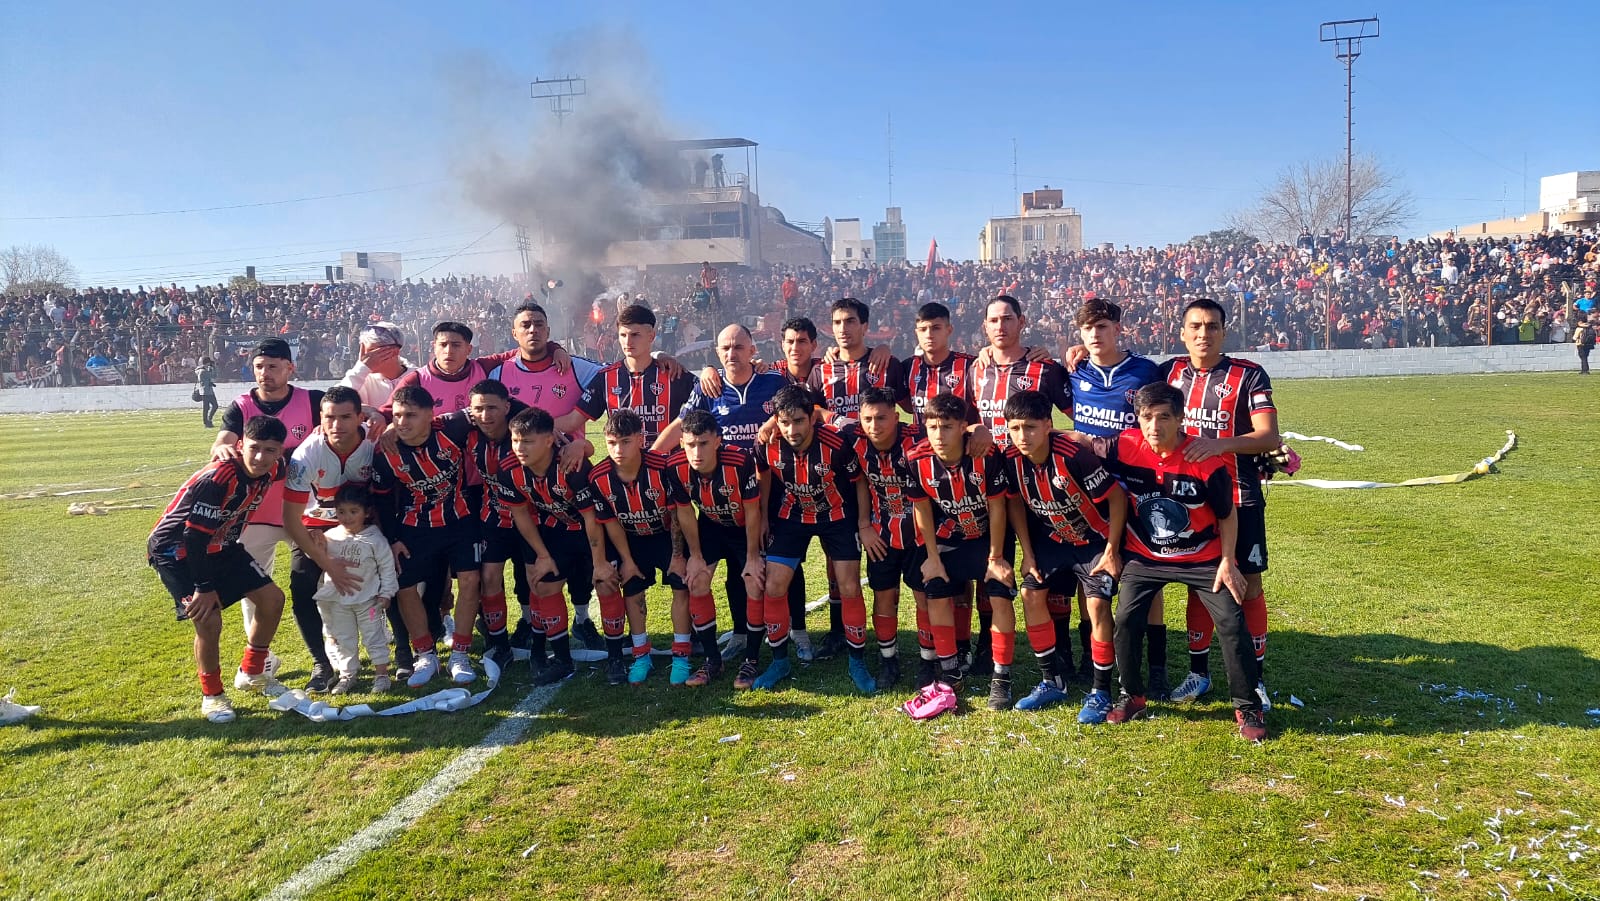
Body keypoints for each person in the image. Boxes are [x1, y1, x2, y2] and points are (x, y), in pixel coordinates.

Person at [1092, 382, 1267, 741]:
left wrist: (1227, 562)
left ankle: (1247, 707)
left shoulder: (1204, 460)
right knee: (1124, 619)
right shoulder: (1124, 446)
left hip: (1203, 559)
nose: (1154, 426)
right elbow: (1080, 442)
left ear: (1181, 419)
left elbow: (1227, 514)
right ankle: (1134, 695)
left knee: (1233, 624)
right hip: (1145, 556)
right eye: (1146, 417)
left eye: (1163, 417)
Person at [1159, 299, 1279, 710]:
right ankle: (1198, 673)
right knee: (1201, 583)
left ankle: (1256, 679)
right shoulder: (1168, 372)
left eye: (1211, 326)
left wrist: (1218, 445)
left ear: (1223, 332)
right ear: (1182, 331)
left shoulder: (1248, 375)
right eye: (1195, 325)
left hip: (1240, 497)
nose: (1203, 334)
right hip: (1188, 500)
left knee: (1249, 583)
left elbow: (1268, 436)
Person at [655, 323, 792, 664]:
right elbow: (682, 424)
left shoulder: (773, 381)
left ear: (752, 349)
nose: (732, 353)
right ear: (717, 352)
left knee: (775, 565)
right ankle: (743, 634)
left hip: (769, 490)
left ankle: (794, 632)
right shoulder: (708, 387)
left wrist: (772, 424)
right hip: (720, 497)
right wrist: (651, 460)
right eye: (725, 348)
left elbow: (796, 411)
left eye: (738, 346)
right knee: (735, 569)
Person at [147, 415, 291, 723]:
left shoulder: (274, 467)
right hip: (178, 551)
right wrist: (203, 587)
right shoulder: (220, 478)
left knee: (273, 599)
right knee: (209, 621)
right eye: (254, 448)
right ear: (240, 446)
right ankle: (212, 696)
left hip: (221, 544)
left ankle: (252, 673)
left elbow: (298, 457)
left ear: (279, 452)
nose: (261, 457)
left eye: (270, 450)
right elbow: (192, 536)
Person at [487, 300, 606, 651]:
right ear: (514, 332)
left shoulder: (573, 367)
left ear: (549, 330)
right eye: (525, 325)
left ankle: (583, 620)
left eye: (539, 324)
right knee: (530, 558)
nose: (532, 330)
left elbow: (615, 375)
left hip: (570, 475)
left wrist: (579, 431)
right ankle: (529, 620)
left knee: (582, 556)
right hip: (523, 480)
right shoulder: (500, 374)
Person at [1002, 390, 1127, 719]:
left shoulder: (1074, 455)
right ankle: (1052, 680)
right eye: (1014, 428)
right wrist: (1028, 553)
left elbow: (1117, 500)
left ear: (1048, 424)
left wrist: (1113, 551)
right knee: (1031, 595)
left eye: (1030, 427)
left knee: (1097, 604)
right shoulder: (1010, 458)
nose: (1022, 436)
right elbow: (1014, 502)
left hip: (1094, 542)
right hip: (1051, 542)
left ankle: (1101, 691)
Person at [1063, 298, 1164, 694]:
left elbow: (1162, 421)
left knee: (1146, 578)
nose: (1094, 335)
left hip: (1137, 487)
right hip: (1089, 492)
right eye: (1087, 329)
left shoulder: (1145, 371)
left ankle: (1155, 667)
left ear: (1118, 328)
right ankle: (1091, 657)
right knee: (1089, 576)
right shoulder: (1075, 370)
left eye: (1102, 326)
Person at [210, 338, 323, 683]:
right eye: (259, 367)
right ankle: (261, 656)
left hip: (305, 508)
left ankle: (332, 655)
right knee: (252, 587)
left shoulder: (312, 400)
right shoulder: (242, 405)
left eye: (273, 366)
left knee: (323, 581)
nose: (265, 374)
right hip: (255, 512)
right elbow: (223, 440)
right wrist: (222, 450)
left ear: (290, 368)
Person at [367, 385, 488, 688]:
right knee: (405, 587)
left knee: (472, 580)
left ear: (430, 414)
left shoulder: (452, 426)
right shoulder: (385, 454)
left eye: (410, 415)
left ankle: (460, 653)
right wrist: (392, 539)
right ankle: (426, 655)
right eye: (397, 416)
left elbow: (498, 405)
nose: (402, 423)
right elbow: (381, 499)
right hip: (414, 526)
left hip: (461, 520)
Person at [905, 393, 1014, 714]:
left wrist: (996, 558)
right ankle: (951, 672)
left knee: (999, 595)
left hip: (988, 537)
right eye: (933, 427)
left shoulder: (985, 454)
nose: (939, 435)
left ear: (964, 427)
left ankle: (1001, 677)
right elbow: (922, 509)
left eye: (947, 427)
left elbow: (998, 507)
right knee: (935, 590)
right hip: (949, 536)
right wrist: (932, 557)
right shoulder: (916, 459)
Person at [754, 386, 869, 691]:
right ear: (776, 421)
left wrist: (862, 522)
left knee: (848, 586)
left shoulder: (836, 444)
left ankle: (857, 661)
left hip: (837, 518)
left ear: (812, 419)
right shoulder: (767, 444)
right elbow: (764, 476)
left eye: (799, 421)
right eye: (784, 422)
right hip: (793, 517)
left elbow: (859, 482)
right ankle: (779, 662)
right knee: (774, 585)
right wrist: (765, 516)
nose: (792, 429)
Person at [578, 410, 687, 686]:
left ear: (640, 439)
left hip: (664, 535)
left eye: (625, 441)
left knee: (682, 582)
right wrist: (626, 559)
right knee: (631, 586)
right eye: (612, 442)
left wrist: (676, 556)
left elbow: (677, 516)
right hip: (629, 539)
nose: (618, 449)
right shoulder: (599, 476)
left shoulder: (664, 466)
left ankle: (682, 655)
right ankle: (641, 655)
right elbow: (611, 522)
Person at [279, 386, 371, 691]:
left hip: (366, 526)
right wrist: (328, 563)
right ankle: (321, 662)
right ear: (320, 418)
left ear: (360, 416)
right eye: (330, 417)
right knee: (302, 585)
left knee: (395, 577)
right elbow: (291, 520)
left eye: (346, 417)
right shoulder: (305, 455)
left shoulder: (377, 442)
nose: (337, 425)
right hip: (314, 529)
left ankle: (404, 653)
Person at [668, 410, 764, 687]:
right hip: (710, 525)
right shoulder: (676, 466)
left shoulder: (740, 460)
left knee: (753, 582)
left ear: (718, 440)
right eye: (690, 444)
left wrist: (752, 557)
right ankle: (713, 661)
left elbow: (752, 511)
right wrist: (695, 556)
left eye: (703, 444)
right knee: (696, 581)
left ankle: (751, 661)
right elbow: (685, 513)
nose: (696, 452)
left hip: (743, 526)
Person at [495, 407, 589, 685]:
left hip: (598, 527)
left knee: (608, 582)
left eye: (527, 441)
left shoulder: (570, 462)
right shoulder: (509, 469)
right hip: (557, 528)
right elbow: (521, 514)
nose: (519, 448)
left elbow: (594, 518)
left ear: (549, 440)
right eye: (515, 441)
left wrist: (602, 559)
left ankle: (620, 654)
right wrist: (543, 555)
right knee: (543, 583)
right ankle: (561, 658)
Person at [842, 387, 925, 692]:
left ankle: (928, 662)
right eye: (868, 419)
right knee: (884, 596)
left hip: (919, 535)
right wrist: (864, 524)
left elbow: (960, 430)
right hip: (881, 534)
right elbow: (816, 413)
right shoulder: (855, 437)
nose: (874, 425)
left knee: (923, 597)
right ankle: (889, 658)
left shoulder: (919, 436)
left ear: (896, 415)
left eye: (881, 417)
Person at [557, 305, 695, 449]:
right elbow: (573, 421)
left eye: (635, 335)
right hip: (625, 467)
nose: (628, 342)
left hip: (666, 467)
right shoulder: (605, 378)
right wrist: (537, 425)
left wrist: (708, 371)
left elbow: (709, 397)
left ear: (651, 336)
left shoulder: (672, 372)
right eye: (623, 335)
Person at [310, 484, 397, 694]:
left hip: (369, 601)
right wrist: (316, 543)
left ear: (366, 512)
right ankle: (348, 675)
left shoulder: (376, 539)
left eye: (353, 512)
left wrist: (387, 593)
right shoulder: (331, 536)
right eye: (341, 512)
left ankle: (382, 674)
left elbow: (387, 567)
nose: (347, 517)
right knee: (344, 638)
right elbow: (316, 556)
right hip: (340, 601)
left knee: (373, 636)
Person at [338, 322, 414, 422]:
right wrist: (367, 410)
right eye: (362, 350)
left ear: (395, 351)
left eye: (371, 351)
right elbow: (333, 402)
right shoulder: (360, 379)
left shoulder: (417, 377)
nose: (364, 356)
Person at [194, 357, 218, 429]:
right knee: (207, 407)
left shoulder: (201, 370)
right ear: (207, 363)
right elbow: (214, 376)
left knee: (211, 406)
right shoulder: (203, 371)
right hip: (206, 392)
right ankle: (207, 421)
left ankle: (208, 420)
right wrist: (214, 368)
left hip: (207, 391)